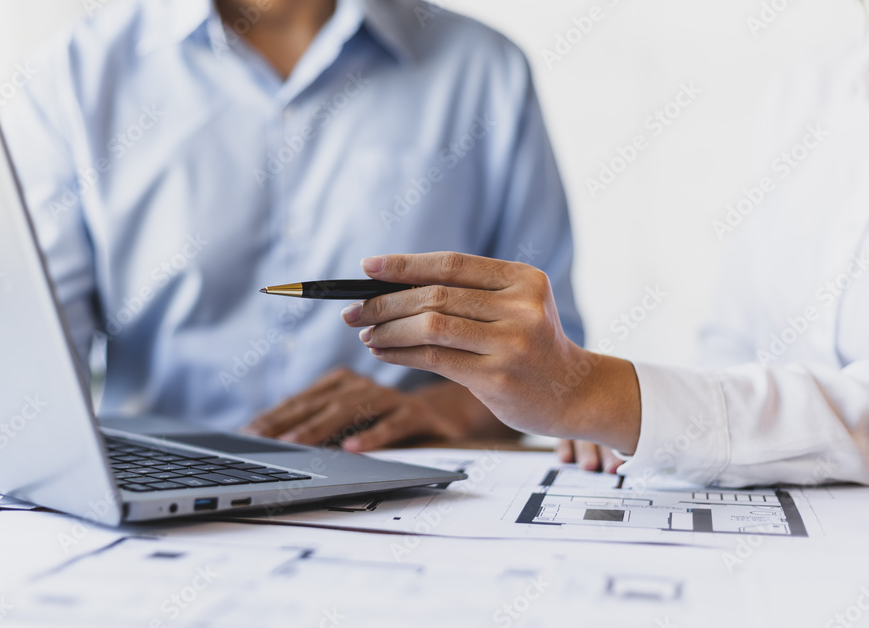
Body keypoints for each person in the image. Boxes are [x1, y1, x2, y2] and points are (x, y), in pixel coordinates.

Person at [1, 0, 583, 451]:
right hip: (162, 499)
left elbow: (551, 362)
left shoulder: (483, 71)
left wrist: (442, 410)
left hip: (403, 489)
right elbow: (34, 376)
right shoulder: (75, 77)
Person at [341, 38, 869, 486]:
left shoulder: (483, 65)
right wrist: (644, 427)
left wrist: (606, 399)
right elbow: (733, 352)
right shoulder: (810, 90)